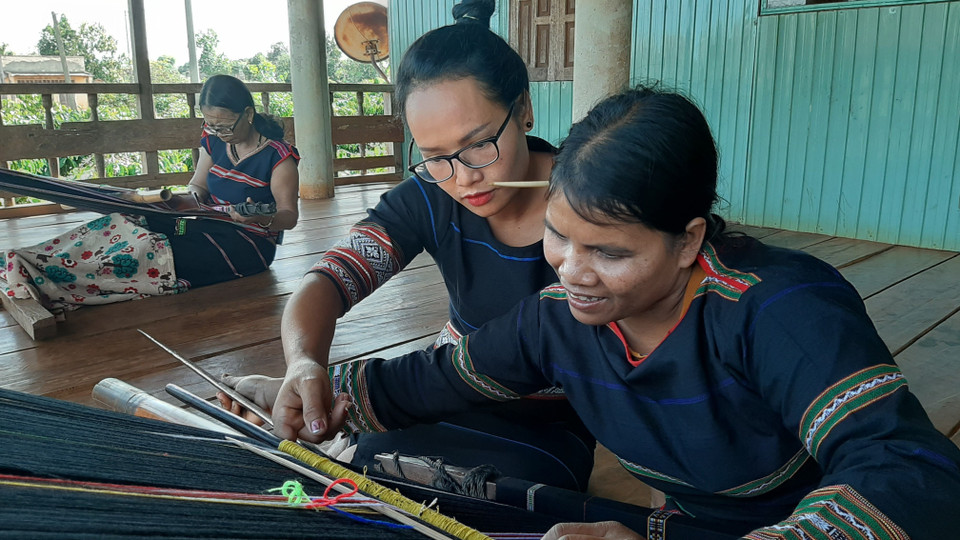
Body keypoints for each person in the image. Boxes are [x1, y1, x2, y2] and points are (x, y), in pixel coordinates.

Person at [275, 86, 960, 538]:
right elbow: (442, 377)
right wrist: (319, 393)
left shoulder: (777, 307)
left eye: (608, 251)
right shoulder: (559, 319)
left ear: (687, 240)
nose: (572, 270)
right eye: (559, 235)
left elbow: (910, 470)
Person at [220, 0, 595, 492]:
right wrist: (304, 363)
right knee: (374, 471)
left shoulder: (591, 204)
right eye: (436, 156)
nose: (464, 178)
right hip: (438, 393)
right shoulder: (430, 197)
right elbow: (327, 281)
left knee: (509, 495)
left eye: (479, 144)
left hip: (548, 423)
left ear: (523, 108)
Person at [0, 74, 298, 308]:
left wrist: (260, 218)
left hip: (248, 243)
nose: (218, 133)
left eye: (225, 126)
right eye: (211, 125)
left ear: (248, 114)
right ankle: (30, 261)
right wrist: (185, 201)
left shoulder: (278, 156)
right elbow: (199, 185)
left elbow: (289, 216)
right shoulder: (214, 141)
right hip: (208, 222)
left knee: (153, 251)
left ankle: (50, 276)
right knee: (130, 223)